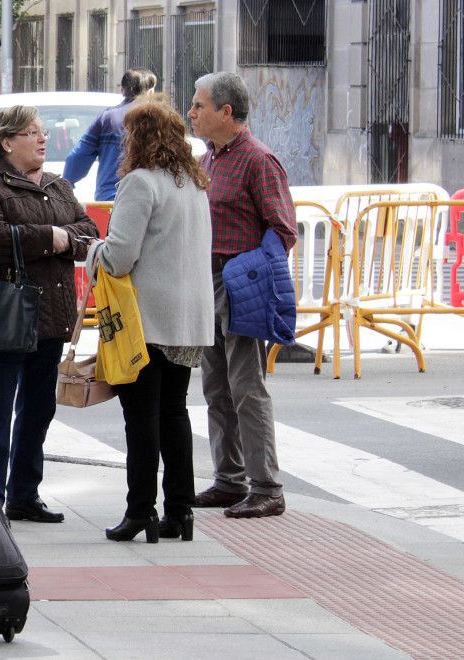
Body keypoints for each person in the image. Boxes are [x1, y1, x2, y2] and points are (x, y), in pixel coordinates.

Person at [0, 105, 99, 524]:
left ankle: (24, 495)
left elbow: (89, 234)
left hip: (51, 314)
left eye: (43, 133)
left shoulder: (59, 185)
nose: (43, 139)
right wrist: (52, 237)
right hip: (3, 314)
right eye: (32, 132)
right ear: (7, 141)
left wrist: (62, 240)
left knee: (39, 410)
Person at [84, 98, 214, 543]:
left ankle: (140, 511)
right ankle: (180, 511)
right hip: (188, 318)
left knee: (141, 418)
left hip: (147, 320)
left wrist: (91, 252)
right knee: (174, 415)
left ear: (136, 139)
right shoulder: (192, 184)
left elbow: (119, 258)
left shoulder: (140, 183)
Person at [186, 72, 297, 519]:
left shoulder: (258, 160)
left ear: (226, 112)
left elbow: (283, 229)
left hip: (240, 285)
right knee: (216, 388)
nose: (191, 113)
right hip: (206, 282)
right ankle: (229, 479)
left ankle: (267, 486)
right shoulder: (209, 157)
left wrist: (244, 273)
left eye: (199, 105)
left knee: (248, 388)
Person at [63, 69, 158, 201]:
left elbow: (79, 156)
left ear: (122, 90)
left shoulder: (107, 118)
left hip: (110, 198)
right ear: (151, 92)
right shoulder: (160, 119)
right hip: (151, 199)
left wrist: (67, 182)